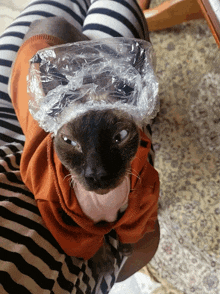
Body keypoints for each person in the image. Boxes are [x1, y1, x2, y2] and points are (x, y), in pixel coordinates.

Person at [0, 0, 160, 293]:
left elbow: (146, 200)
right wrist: (92, 249)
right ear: (53, 133)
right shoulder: (49, 192)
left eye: (121, 137)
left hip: (58, 46)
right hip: (38, 56)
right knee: (118, 7)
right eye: (70, 143)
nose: (95, 170)